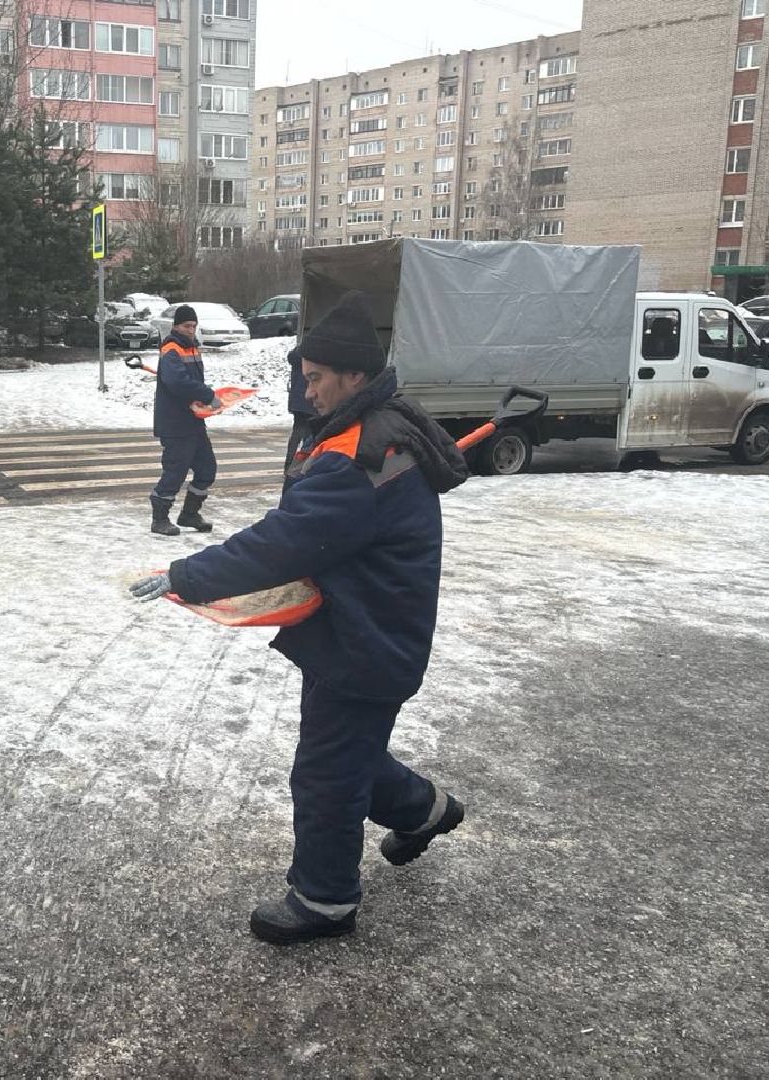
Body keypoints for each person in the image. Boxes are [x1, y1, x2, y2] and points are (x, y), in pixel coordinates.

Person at [129, 291, 470, 945]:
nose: (306, 391)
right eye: (302, 378)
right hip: (362, 625)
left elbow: (286, 540)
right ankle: (424, 811)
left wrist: (186, 575)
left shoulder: (360, 458)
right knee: (346, 752)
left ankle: (326, 898)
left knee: (326, 770)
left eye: (316, 379)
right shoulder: (366, 428)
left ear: (354, 377)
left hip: (368, 637)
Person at [149, 304, 219, 536]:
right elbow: (177, 382)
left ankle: (189, 514)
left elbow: (188, 381)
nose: (191, 330)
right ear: (176, 326)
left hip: (193, 421)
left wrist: (203, 401)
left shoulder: (191, 348)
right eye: (187, 326)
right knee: (175, 472)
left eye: (194, 326)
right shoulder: (172, 348)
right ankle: (159, 519)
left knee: (207, 469)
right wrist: (207, 394)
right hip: (175, 423)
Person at [283, 343, 318, 476]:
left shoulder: (295, 358)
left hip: (297, 403)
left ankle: (288, 466)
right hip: (308, 403)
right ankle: (300, 466)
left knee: (296, 434)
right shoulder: (311, 360)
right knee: (309, 436)